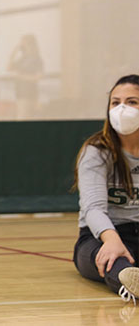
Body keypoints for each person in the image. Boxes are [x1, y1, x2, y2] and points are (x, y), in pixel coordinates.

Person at [73, 74, 139, 302]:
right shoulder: (97, 151)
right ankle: (128, 281)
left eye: (132, 102)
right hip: (101, 236)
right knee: (112, 261)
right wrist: (112, 241)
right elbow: (93, 209)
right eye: (115, 102)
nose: (122, 108)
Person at [8, 34, 44, 119]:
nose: (22, 46)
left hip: (29, 94)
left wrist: (21, 77)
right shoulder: (22, 58)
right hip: (19, 93)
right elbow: (9, 68)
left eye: (24, 43)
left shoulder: (37, 59)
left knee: (23, 118)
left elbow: (38, 77)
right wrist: (14, 51)